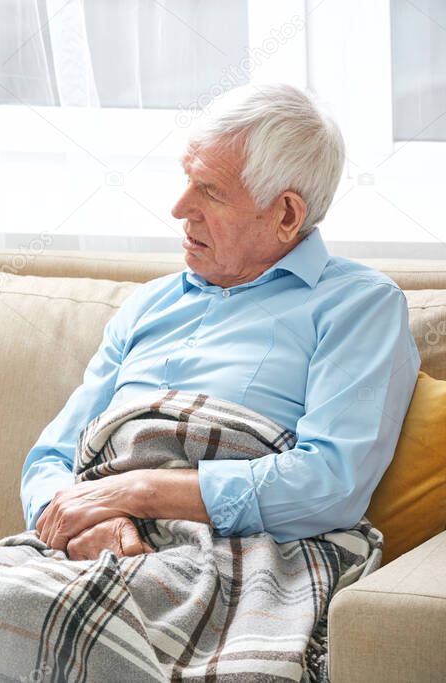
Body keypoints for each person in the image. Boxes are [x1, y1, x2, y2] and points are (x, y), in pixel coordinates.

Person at [24, 82, 420, 558]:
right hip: (90, 546)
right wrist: (83, 528)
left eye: (210, 191)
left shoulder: (359, 306)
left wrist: (139, 492)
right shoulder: (149, 304)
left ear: (287, 215)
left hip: (225, 551)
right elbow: (53, 456)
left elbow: (332, 482)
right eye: (187, 178)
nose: (179, 208)